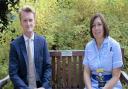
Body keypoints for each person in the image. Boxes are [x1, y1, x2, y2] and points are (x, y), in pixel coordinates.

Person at [9, 6, 51, 89]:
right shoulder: (14, 45)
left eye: (30, 20)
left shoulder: (42, 41)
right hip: (23, 87)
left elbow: (48, 67)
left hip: (41, 86)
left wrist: (44, 86)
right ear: (21, 23)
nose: (28, 24)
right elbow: (13, 73)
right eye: (25, 20)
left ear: (34, 21)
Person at [83, 13, 123, 89]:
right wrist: (89, 87)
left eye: (99, 24)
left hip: (112, 86)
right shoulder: (89, 46)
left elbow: (116, 76)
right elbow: (86, 72)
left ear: (104, 26)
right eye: (93, 26)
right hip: (93, 85)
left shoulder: (114, 45)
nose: (96, 28)